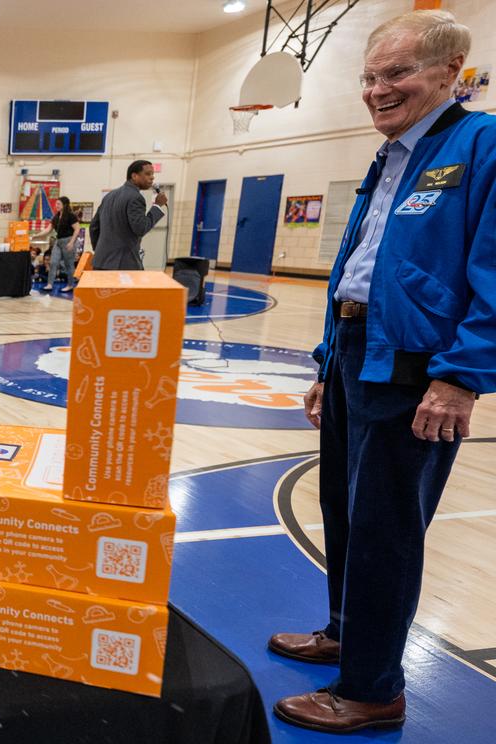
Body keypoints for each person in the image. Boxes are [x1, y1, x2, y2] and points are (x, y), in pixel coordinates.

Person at [269, 10, 496, 734]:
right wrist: (327, 360)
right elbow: (362, 268)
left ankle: (371, 688)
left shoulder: (481, 145)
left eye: (396, 74)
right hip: (358, 354)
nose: (377, 90)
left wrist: (460, 375)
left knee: (386, 529)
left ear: (450, 72)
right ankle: (344, 632)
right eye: (370, 77)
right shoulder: (393, 154)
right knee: (343, 505)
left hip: (417, 369)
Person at [89, 160, 167, 271]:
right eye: (148, 174)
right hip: (123, 265)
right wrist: (157, 206)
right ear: (134, 176)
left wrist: (100, 250)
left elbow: (94, 226)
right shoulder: (136, 197)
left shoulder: (110, 195)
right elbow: (140, 228)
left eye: (153, 174)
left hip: (100, 262)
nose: (152, 178)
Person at [35, 197, 79, 292]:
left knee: (69, 265)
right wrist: (36, 235)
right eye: (56, 204)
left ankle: (70, 285)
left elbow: (77, 229)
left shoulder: (71, 216)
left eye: (58, 204)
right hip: (58, 242)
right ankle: (50, 284)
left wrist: (72, 242)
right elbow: (48, 229)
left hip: (68, 241)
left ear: (65, 205)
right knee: (53, 262)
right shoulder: (56, 216)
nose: (56, 206)